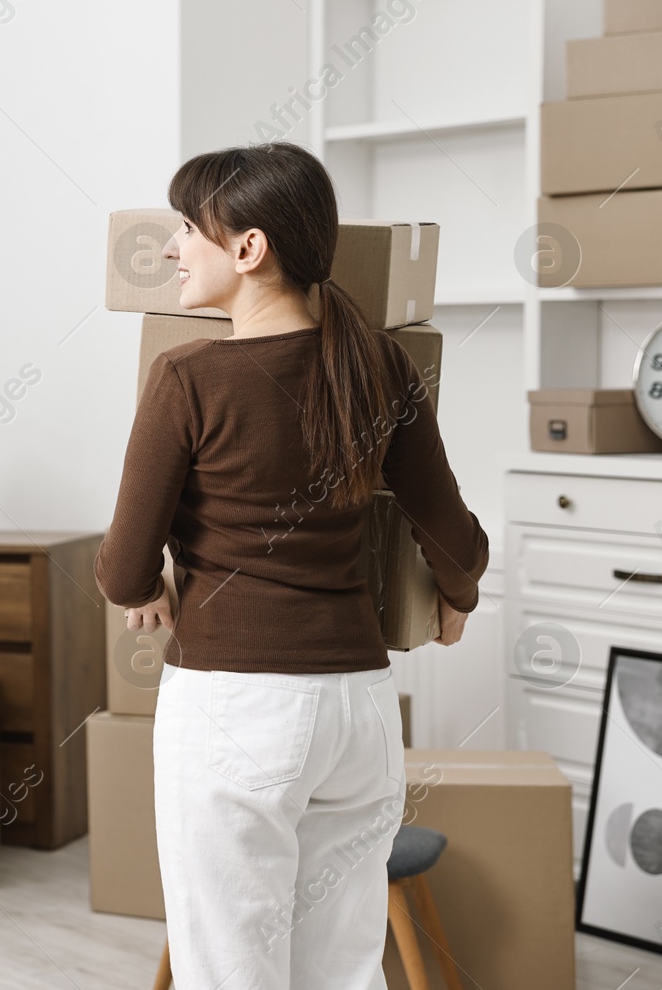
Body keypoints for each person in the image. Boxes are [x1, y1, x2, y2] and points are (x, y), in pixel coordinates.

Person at [93, 141, 488, 990]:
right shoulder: (381, 364)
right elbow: (454, 536)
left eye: (187, 230)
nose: (169, 249)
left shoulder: (187, 378)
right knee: (343, 969)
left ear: (248, 248)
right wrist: (456, 598)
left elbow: (122, 563)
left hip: (236, 707)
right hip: (359, 708)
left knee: (232, 972)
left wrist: (149, 591)